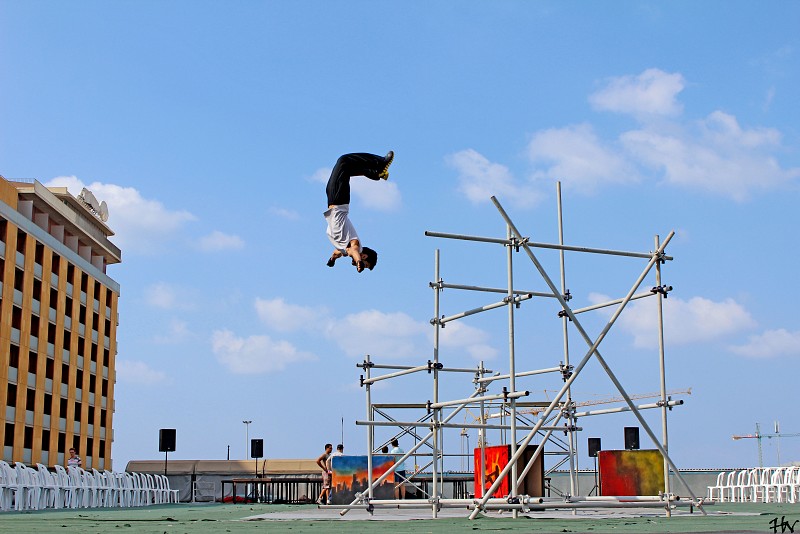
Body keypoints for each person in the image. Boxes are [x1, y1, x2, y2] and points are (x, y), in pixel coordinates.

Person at [324, 151, 394, 273]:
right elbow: (354, 250)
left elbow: (337, 253)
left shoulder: (344, 249)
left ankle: (376, 173)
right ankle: (380, 163)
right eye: (366, 264)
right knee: (343, 161)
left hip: (333, 200)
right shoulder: (356, 245)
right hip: (339, 200)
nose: (363, 267)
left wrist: (332, 259)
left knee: (348, 169)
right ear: (364, 256)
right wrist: (358, 262)